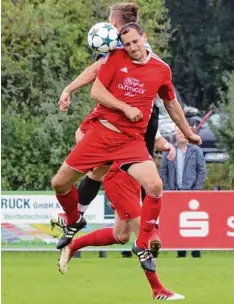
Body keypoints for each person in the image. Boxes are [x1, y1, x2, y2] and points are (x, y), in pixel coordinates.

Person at [51, 22, 201, 274]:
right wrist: (73, 90)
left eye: (135, 42)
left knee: (148, 196)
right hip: (106, 145)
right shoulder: (115, 57)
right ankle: (75, 220)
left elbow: (172, 104)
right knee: (60, 183)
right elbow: (96, 89)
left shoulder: (161, 70)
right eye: (127, 44)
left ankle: (137, 247)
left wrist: (187, 132)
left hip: (130, 145)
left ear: (145, 38)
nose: (132, 48)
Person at [57, 130, 184, 300]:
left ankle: (74, 245)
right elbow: (82, 131)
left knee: (121, 235)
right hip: (118, 176)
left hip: (134, 176)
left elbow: (157, 139)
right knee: (147, 236)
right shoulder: (118, 111)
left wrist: (168, 146)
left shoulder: (144, 111)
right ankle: (157, 289)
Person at [160, 126, 207, 258]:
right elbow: (163, 172)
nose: (180, 134)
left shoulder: (196, 151)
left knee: (194, 222)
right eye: (178, 132)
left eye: (183, 132)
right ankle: (180, 253)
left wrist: (196, 191)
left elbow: (201, 171)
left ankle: (196, 252)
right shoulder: (169, 151)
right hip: (174, 194)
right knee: (177, 223)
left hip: (191, 194)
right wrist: (168, 191)